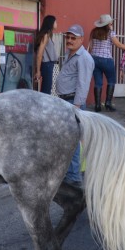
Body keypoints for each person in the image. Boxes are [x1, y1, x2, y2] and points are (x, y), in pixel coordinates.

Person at [52, 25, 94, 186]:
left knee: (73, 142)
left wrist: (76, 107)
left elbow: (83, 84)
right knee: (68, 140)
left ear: (81, 40)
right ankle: (69, 173)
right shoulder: (72, 54)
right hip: (65, 102)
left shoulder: (84, 57)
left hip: (72, 103)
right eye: (67, 37)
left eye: (73, 38)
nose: (69, 40)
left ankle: (74, 177)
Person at [89, 14, 125, 112]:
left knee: (98, 82)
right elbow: (118, 45)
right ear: (108, 24)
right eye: (111, 22)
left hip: (94, 59)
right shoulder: (110, 33)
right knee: (111, 81)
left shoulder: (94, 32)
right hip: (106, 59)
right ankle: (108, 103)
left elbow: (91, 46)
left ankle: (97, 105)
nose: (112, 23)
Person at [33, 15, 60, 95]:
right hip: (47, 64)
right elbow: (39, 53)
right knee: (46, 89)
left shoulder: (47, 35)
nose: (56, 23)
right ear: (51, 23)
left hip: (48, 65)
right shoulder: (46, 35)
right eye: (55, 21)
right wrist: (38, 71)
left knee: (46, 88)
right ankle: (42, 106)